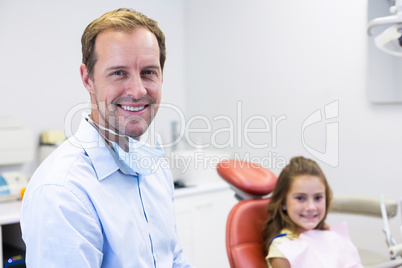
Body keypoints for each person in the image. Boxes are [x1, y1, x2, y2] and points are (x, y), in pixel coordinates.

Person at [20, 8, 193, 268]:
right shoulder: (63, 192)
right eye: (118, 73)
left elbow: (174, 259)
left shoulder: (155, 170)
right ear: (87, 78)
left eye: (148, 72)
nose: (137, 90)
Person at [263, 156, 363, 268]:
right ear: (283, 203)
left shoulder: (334, 237)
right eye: (300, 198)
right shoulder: (282, 249)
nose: (311, 207)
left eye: (318, 198)